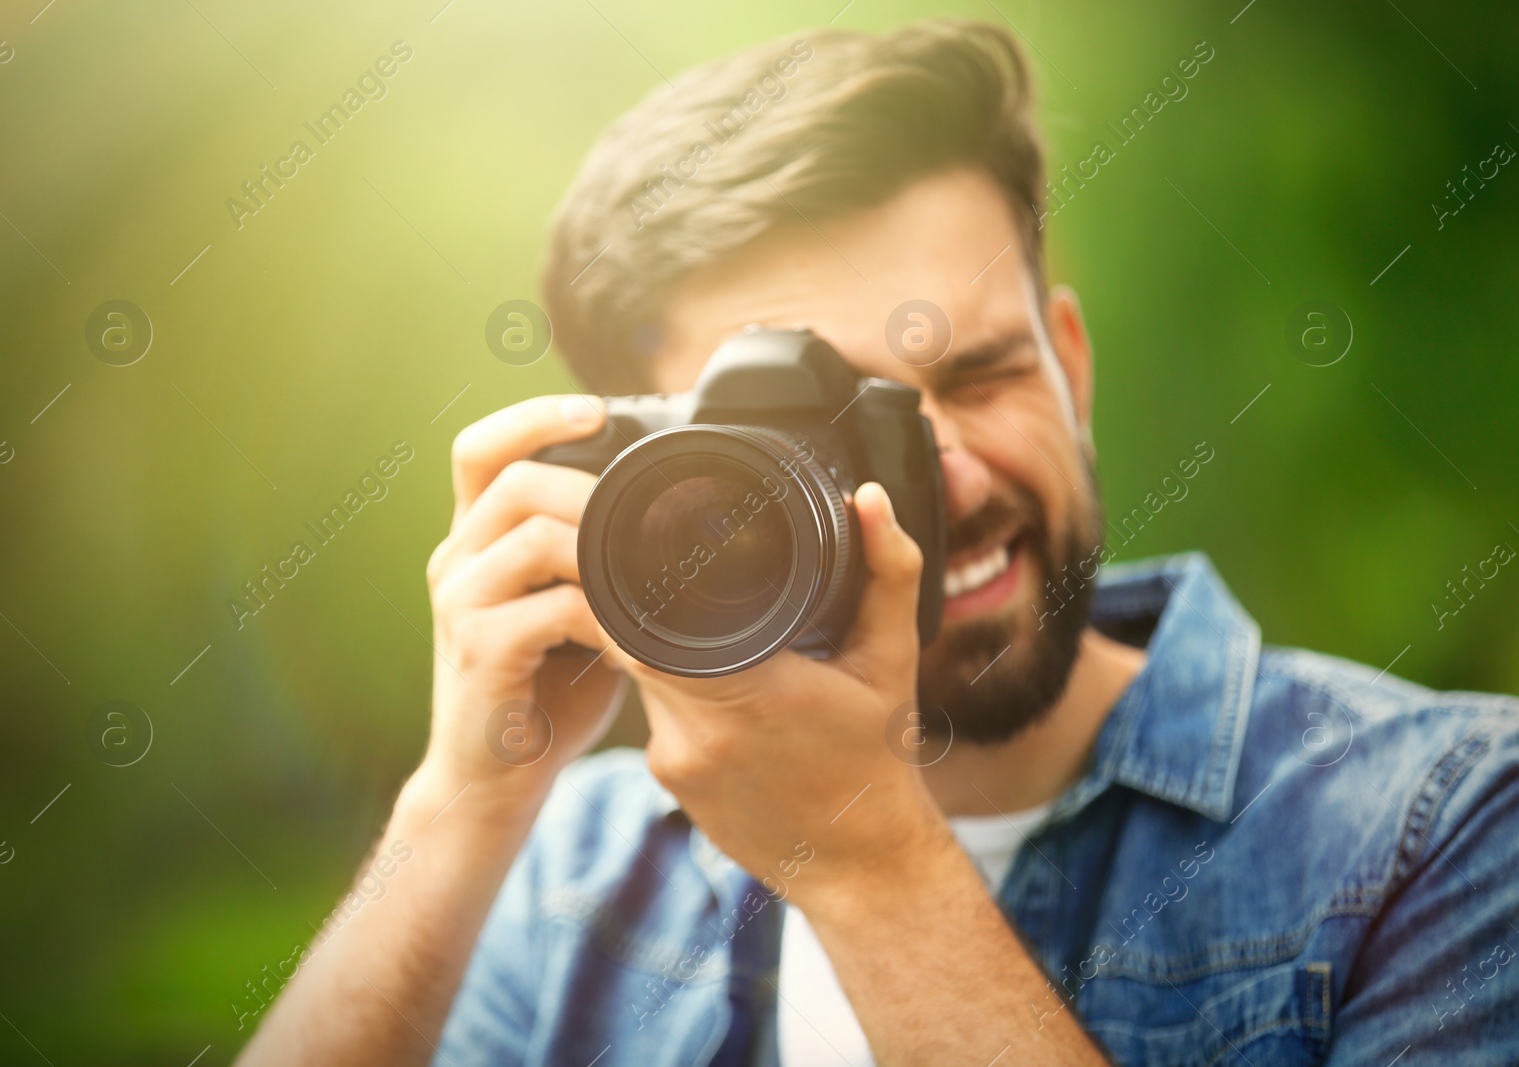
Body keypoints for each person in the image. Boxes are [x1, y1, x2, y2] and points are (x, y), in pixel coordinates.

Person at [236, 20, 1519, 1066]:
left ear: (1070, 365)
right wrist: (461, 805)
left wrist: (865, 857)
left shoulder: (1442, 821)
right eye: (825, 432)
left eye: (979, 375)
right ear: (642, 476)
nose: (940, 477)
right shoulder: (577, 871)